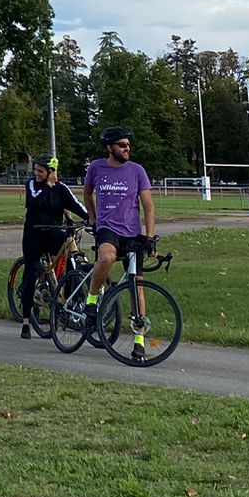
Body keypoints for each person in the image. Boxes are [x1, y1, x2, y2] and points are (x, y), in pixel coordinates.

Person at [84, 126, 156, 355]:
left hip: (132, 231)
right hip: (107, 228)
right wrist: (93, 219)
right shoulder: (96, 167)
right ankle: (92, 300)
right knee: (106, 257)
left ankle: (139, 341)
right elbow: (87, 193)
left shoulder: (137, 171)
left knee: (137, 287)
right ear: (109, 148)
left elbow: (148, 206)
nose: (127, 149)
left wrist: (150, 237)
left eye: (128, 145)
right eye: (122, 145)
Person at [19, 156, 89, 338]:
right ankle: (26, 320)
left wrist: (93, 220)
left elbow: (77, 205)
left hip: (54, 233)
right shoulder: (32, 186)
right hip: (34, 235)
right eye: (35, 170)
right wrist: (48, 186)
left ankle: (67, 297)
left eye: (40, 171)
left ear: (51, 172)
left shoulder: (62, 189)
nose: (36, 174)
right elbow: (35, 201)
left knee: (70, 256)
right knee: (31, 272)